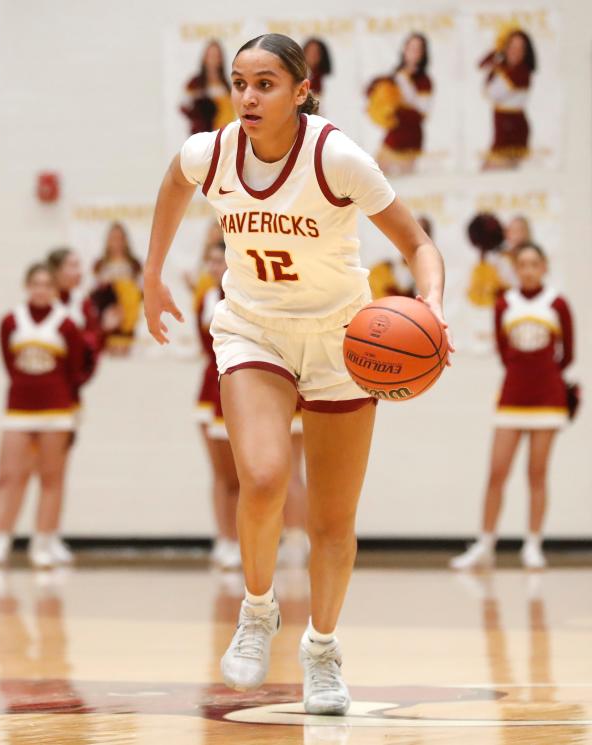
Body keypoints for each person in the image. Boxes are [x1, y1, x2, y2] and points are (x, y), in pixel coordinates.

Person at [143, 33, 449, 715]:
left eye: (265, 84)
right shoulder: (213, 151)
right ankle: (257, 610)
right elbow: (173, 180)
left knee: (333, 520)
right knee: (263, 474)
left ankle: (323, 648)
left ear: (301, 91)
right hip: (255, 330)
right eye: (240, 82)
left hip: (343, 343)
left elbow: (419, 242)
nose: (248, 97)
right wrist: (151, 272)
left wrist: (430, 305)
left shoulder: (336, 156)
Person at [0, 264, 85, 570]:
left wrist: (73, 412)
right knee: (7, 477)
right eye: (35, 283)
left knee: (51, 479)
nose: (41, 289)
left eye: (47, 284)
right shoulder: (11, 321)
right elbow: (10, 366)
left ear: (54, 289)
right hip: (19, 409)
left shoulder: (67, 325)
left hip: (57, 411)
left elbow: (76, 373)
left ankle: (43, 544)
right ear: (26, 286)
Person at [451, 244, 573, 571]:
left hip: (548, 401)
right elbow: (505, 355)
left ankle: (533, 545)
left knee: (537, 474)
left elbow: (568, 354)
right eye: (523, 264)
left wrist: (548, 382)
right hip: (512, 398)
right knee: (496, 473)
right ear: (515, 269)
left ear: (544, 267)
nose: (529, 270)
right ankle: (485, 544)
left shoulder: (557, 303)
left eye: (535, 264)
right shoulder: (504, 303)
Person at [193, 243, 240, 570]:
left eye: (218, 260)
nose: (213, 266)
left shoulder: (245, 297)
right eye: (208, 260)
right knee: (221, 474)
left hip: (238, 386)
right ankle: (223, 539)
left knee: (241, 476)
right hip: (210, 388)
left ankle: (241, 540)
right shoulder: (205, 299)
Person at [367, 33, 432, 176]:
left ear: (423, 54)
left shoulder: (423, 81)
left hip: (409, 136)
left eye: (418, 49)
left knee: (403, 180)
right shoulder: (396, 75)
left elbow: (421, 114)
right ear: (404, 49)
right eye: (411, 48)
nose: (414, 52)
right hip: (393, 134)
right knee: (376, 177)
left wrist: (396, 111)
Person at [480, 29, 536, 170]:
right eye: (511, 46)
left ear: (526, 52)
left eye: (520, 48)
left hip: (512, 130)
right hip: (504, 127)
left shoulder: (519, 73)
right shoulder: (506, 69)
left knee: (491, 175)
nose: (515, 51)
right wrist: (496, 53)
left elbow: (491, 93)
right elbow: (481, 65)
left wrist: (495, 67)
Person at [90, 222, 143, 355]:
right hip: (109, 311)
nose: (116, 242)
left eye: (120, 238)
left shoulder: (134, 264)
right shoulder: (100, 264)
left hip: (129, 314)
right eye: (113, 238)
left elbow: (141, 290)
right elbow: (94, 292)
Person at [181, 39, 235, 135]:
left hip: (225, 135)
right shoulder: (195, 83)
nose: (213, 59)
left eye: (217, 56)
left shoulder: (226, 83)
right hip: (205, 136)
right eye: (210, 55)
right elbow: (184, 105)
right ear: (204, 58)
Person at [303, 38, 332, 105]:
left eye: (316, 52)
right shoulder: (298, 78)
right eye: (309, 52)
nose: (312, 55)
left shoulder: (327, 79)